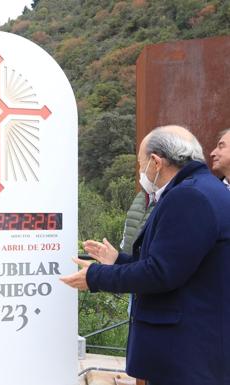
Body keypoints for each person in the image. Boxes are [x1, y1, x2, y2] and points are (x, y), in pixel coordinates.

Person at [61, 125, 230, 385]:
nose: (141, 172)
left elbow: (160, 274)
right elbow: (176, 264)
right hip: (197, 351)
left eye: (141, 163)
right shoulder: (206, 189)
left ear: (156, 162)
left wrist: (96, 277)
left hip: (184, 355)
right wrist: (117, 261)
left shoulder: (188, 196)